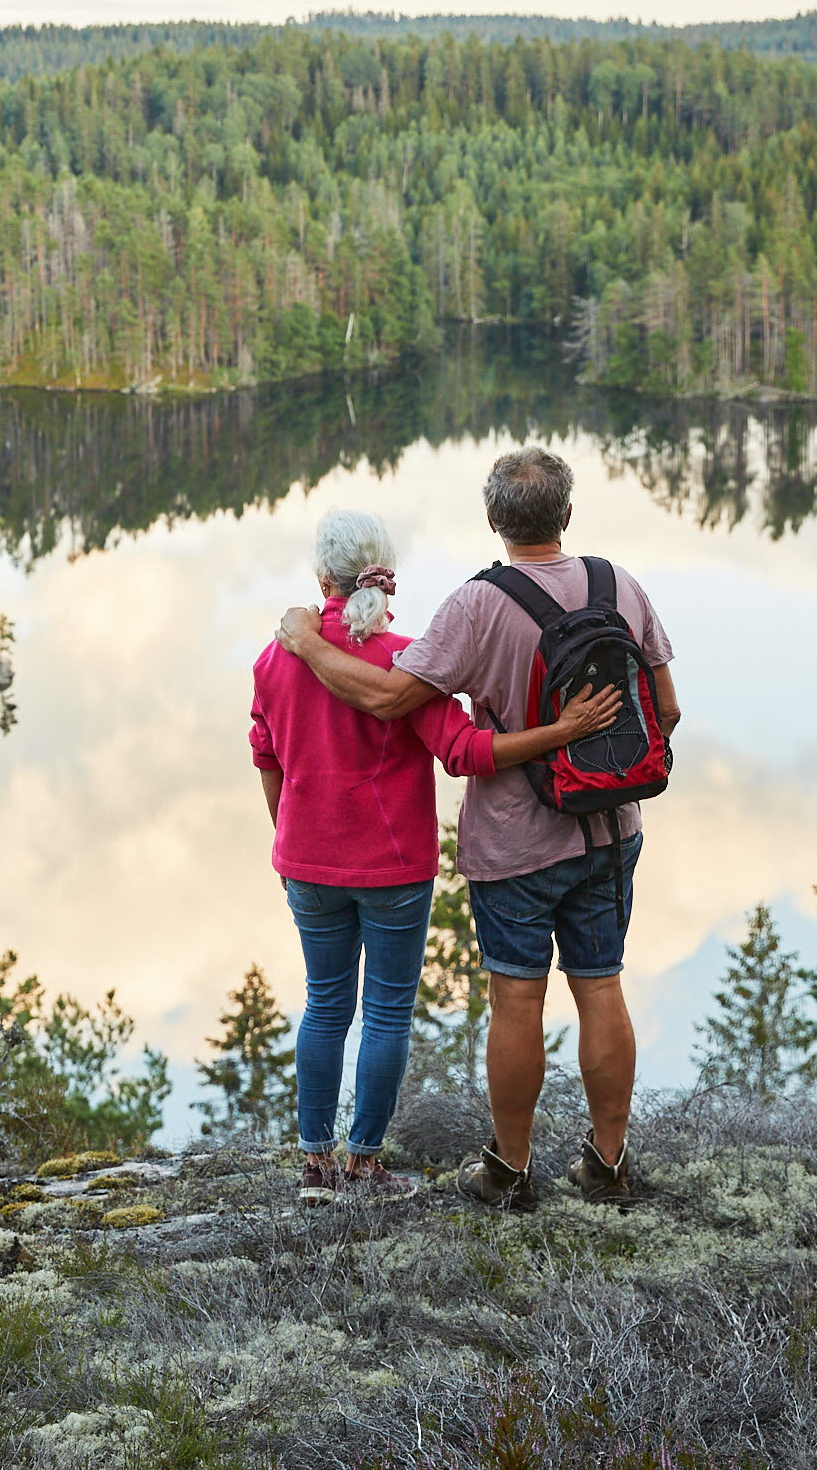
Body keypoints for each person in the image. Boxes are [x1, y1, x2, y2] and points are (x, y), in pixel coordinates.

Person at [275, 449, 678, 1211]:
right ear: (567, 513)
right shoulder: (621, 585)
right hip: (609, 830)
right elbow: (668, 707)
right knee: (601, 985)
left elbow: (389, 697)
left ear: (494, 519)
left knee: (517, 1001)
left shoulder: (477, 605)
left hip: (515, 844)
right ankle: (608, 1163)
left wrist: (305, 642)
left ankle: (510, 1170)